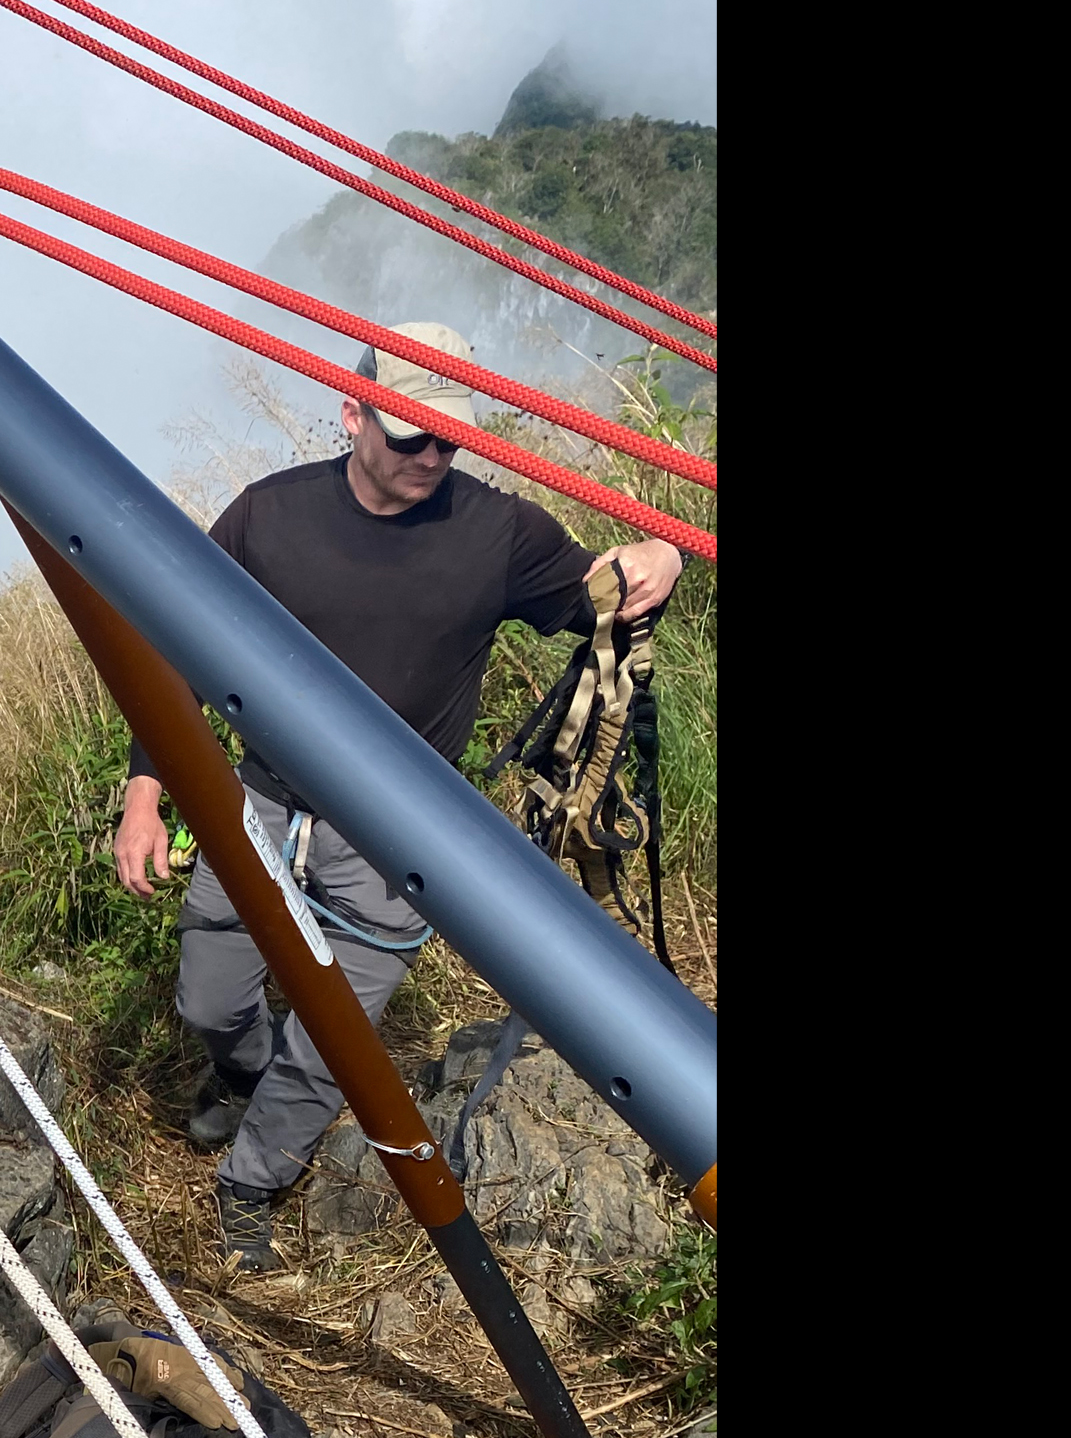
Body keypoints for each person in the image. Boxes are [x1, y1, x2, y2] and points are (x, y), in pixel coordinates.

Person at [108, 323, 683, 1272]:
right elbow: (170, 653)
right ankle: (239, 1071)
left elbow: (601, 598)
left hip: (398, 830)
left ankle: (251, 1182)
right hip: (258, 800)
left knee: (337, 1034)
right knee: (211, 998)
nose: (432, 457)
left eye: (449, 440)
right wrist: (144, 792)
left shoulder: (496, 531)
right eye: (411, 435)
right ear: (352, 413)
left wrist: (659, 554)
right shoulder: (267, 517)